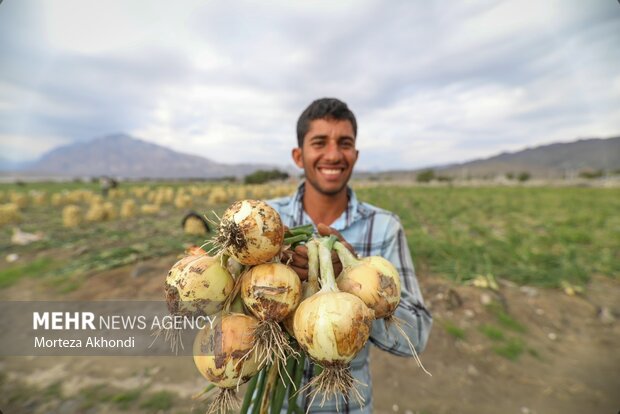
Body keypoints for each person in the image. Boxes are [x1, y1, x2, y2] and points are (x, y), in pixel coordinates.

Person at [268, 98, 432, 413]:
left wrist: (346, 283)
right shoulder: (271, 222)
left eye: (344, 144)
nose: (333, 154)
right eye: (320, 142)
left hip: (345, 406)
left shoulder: (384, 227)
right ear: (298, 156)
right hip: (267, 403)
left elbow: (418, 334)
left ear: (355, 156)